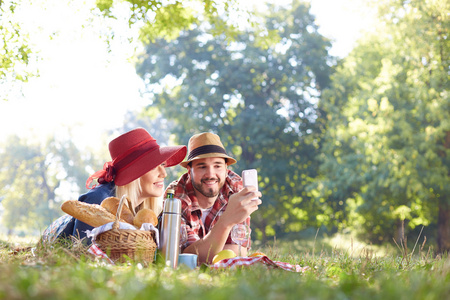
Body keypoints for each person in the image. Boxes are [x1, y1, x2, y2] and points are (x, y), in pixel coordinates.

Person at [41, 128, 187, 245]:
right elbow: (80, 253)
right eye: (154, 166)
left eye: (162, 165)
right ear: (134, 174)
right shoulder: (99, 199)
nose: (164, 173)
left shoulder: (142, 213)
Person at [165, 132, 262, 264]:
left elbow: (238, 249)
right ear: (189, 170)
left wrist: (204, 250)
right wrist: (226, 221)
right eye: (202, 166)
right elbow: (187, 258)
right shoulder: (175, 196)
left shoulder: (236, 190)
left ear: (226, 168)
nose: (211, 174)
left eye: (217, 166)